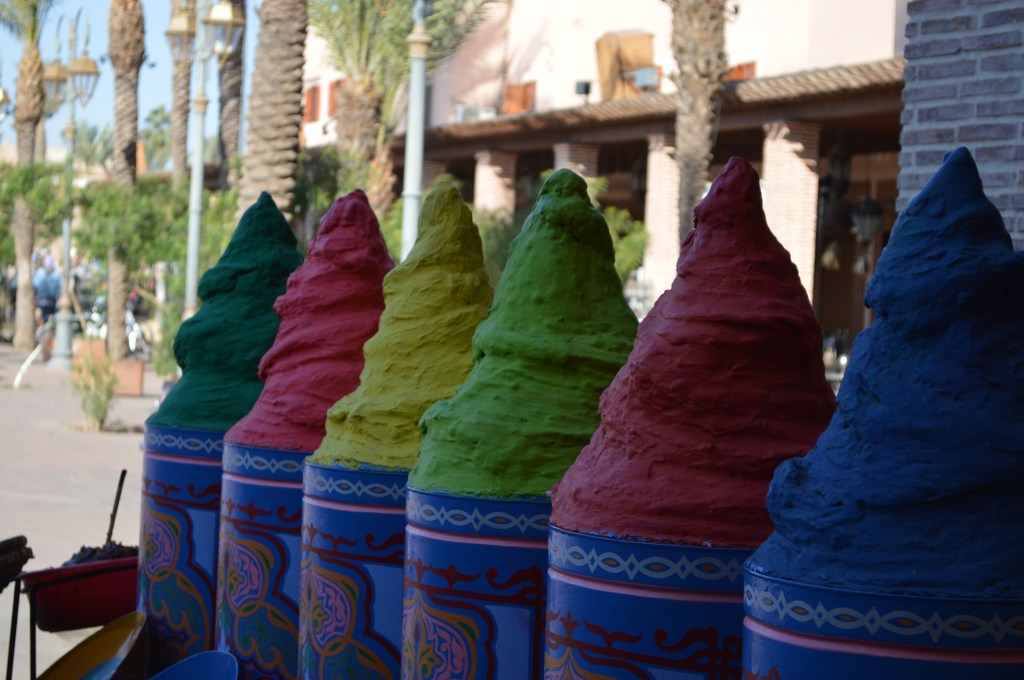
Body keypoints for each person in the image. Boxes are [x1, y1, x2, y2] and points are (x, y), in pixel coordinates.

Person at [33, 255, 62, 325]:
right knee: (47, 322)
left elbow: (35, 287)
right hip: (47, 303)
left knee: (45, 322)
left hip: (48, 303)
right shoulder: (56, 274)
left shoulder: (40, 273)